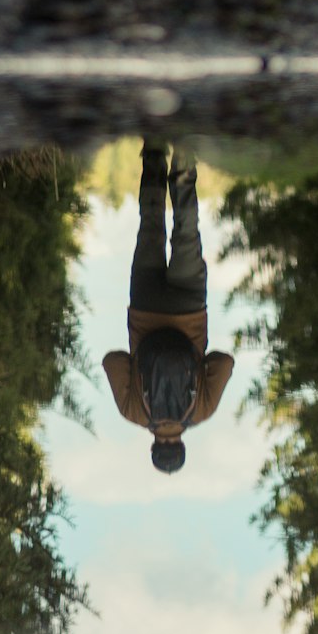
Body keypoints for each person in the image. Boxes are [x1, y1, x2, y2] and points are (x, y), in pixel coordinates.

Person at [102, 138, 234, 474]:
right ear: (153, 446)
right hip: (145, 306)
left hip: (189, 308)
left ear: (182, 445)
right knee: (151, 224)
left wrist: (196, 363)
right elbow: (112, 360)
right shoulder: (134, 413)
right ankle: (155, 149)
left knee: (186, 230)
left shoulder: (201, 411)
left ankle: (185, 158)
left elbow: (224, 361)